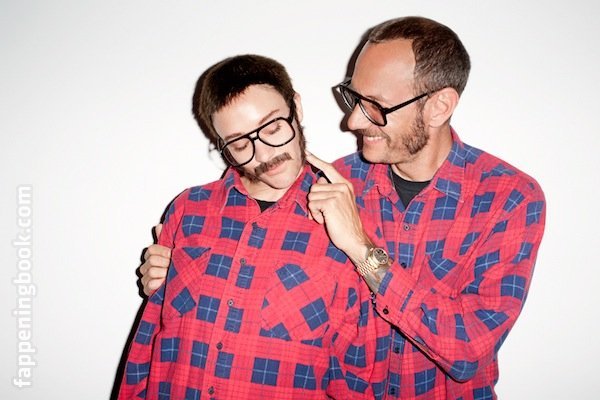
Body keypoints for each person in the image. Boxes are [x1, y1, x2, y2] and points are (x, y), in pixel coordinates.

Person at [139, 17, 546, 400]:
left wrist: (363, 252)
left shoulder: (508, 197)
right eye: (353, 97)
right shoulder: (327, 183)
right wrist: (185, 270)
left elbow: (468, 349)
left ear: (439, 106)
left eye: (375, 105)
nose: (352, 121)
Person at [119, 54, 387, 399]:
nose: (264, 155)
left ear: (296, 107)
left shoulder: (345, 221)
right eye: (240, 144)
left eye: (273, 128)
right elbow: (147, 344)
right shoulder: (188, 210)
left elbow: (358, 372)